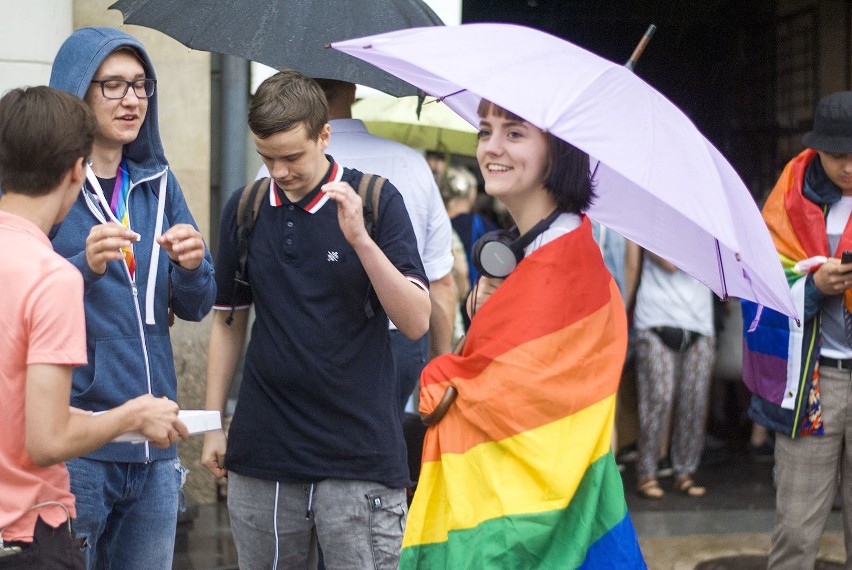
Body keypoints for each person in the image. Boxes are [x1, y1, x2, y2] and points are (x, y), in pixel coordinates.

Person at [400, 100, 645, 568]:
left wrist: (442, 373)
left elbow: (479, 399)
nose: (491, 147)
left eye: (514, 134)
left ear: (559, 151)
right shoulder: (550, 250)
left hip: (526, 529)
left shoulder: (560, 268)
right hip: (551, 512)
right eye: (485, 131)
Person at [202, 69, 430, 569]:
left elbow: (415, 321)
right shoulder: (246, 207)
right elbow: (228, 319)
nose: (279, 170)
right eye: (266, 157)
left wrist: (361, 242)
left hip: (359, 452)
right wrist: (212, 422)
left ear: (324, 135)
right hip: (265, 451)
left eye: (291, 157)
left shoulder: (375, 200)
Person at [48, 27, 216, 569]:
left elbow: (197, 304)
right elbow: (20, 302)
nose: (132, 100)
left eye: (141, 85)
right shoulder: (48, 187)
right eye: (114, 85)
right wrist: (85, 267)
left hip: (157, 451)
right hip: (82, 448)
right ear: (78, 92)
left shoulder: (160, 181)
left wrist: (192, 267)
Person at [0, 86, 188, 569]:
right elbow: (46, 441)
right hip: (27, 530)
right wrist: (131, 416)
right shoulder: (53, 276)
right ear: (77, 170)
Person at [258, 79, 455, 408]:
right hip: (403, 340)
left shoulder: (274, 171)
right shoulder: (411, 164)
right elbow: (440, 281)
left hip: (304, 343)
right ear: (353, 88)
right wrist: (439, 365)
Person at [741, 90, 852, 569]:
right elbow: (762, 284)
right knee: (797, 529)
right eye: (837, 156)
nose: (848, 168)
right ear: (817, 150)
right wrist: (816, 287)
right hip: (813, 379)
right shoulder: (791, 195)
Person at [632, 251, 716, 499]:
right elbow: (669, 263)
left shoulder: (711, 225)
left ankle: (685, 472)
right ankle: (646, 471)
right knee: (659, 398)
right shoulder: (654, 219)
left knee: (695, 401)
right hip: (655, 319)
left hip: (699, 322)